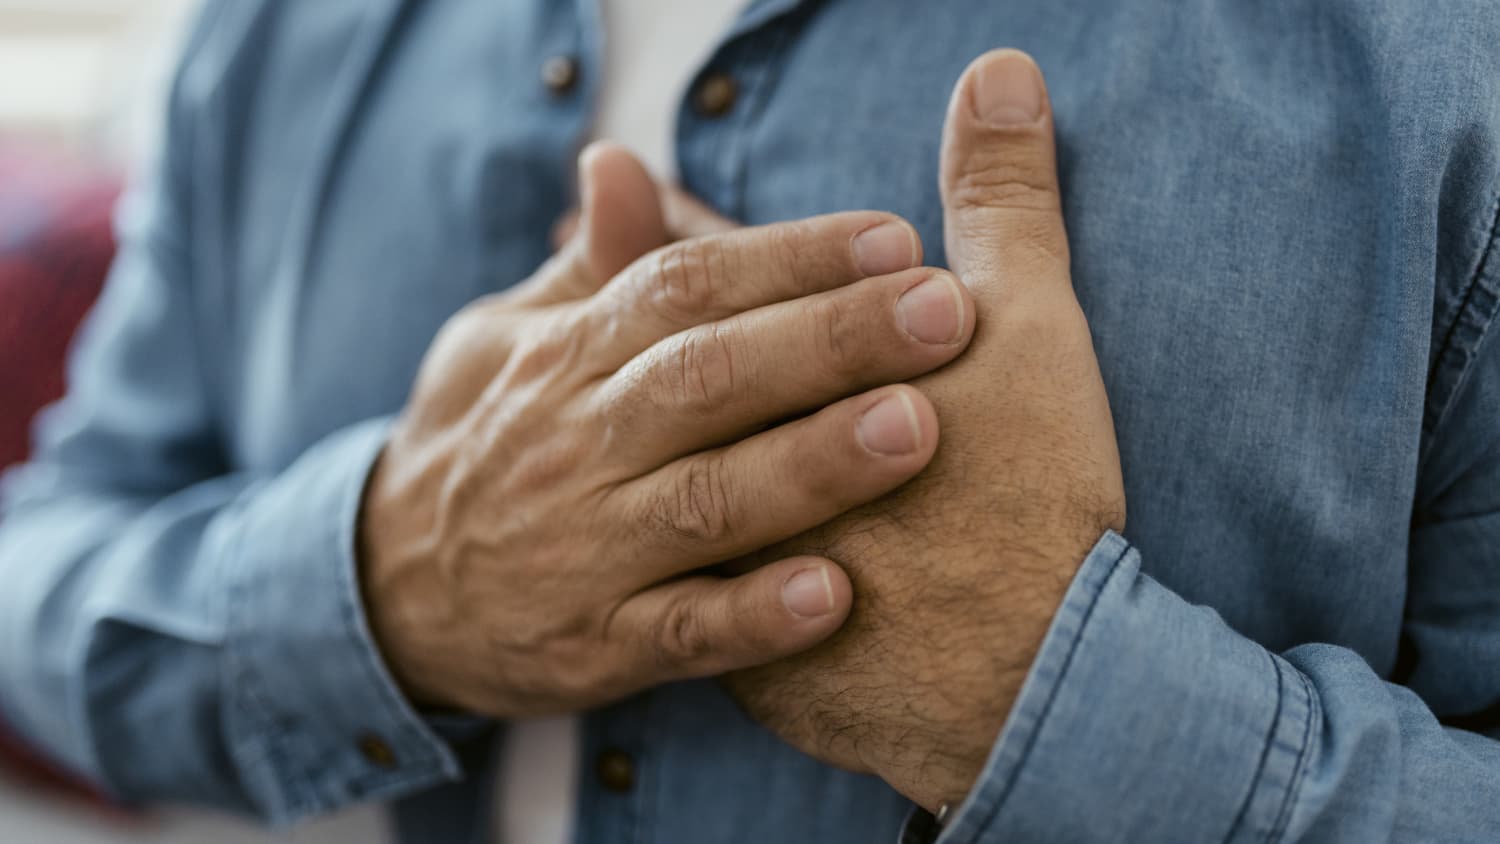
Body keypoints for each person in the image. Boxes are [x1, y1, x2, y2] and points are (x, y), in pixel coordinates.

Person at [2, 1, 1500, 842]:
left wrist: (1054, 703)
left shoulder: (1441, 59)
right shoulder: (268, 38)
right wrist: (381, 587)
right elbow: (41, 567)